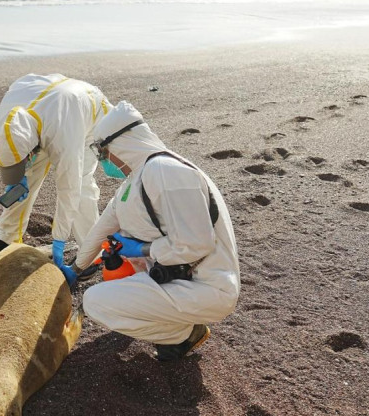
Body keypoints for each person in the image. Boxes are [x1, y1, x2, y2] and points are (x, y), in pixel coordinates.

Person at [68, 101, 240, 361]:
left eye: (103, 152)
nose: (104, 161)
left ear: (121, 142)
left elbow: (196, 245)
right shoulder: (136, 181)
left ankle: (181, 334)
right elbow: (102, 229)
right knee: (115, 275)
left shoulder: (168, 173)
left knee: (95, 302)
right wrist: (75, 269)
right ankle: (176, 324)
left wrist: (142, 249)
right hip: (177, 277)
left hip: (209, 287)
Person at [0, 73, 113, 273]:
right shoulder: (6, 119)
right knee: (29, 173)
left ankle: (90, 251)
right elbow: (13, 147)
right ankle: (6, 236)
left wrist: (59, 238)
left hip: (86, 117)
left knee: (82, 184)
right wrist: (16, 177)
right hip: (49, 110)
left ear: (32, 147)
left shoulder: (64, 137)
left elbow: (70, 188)